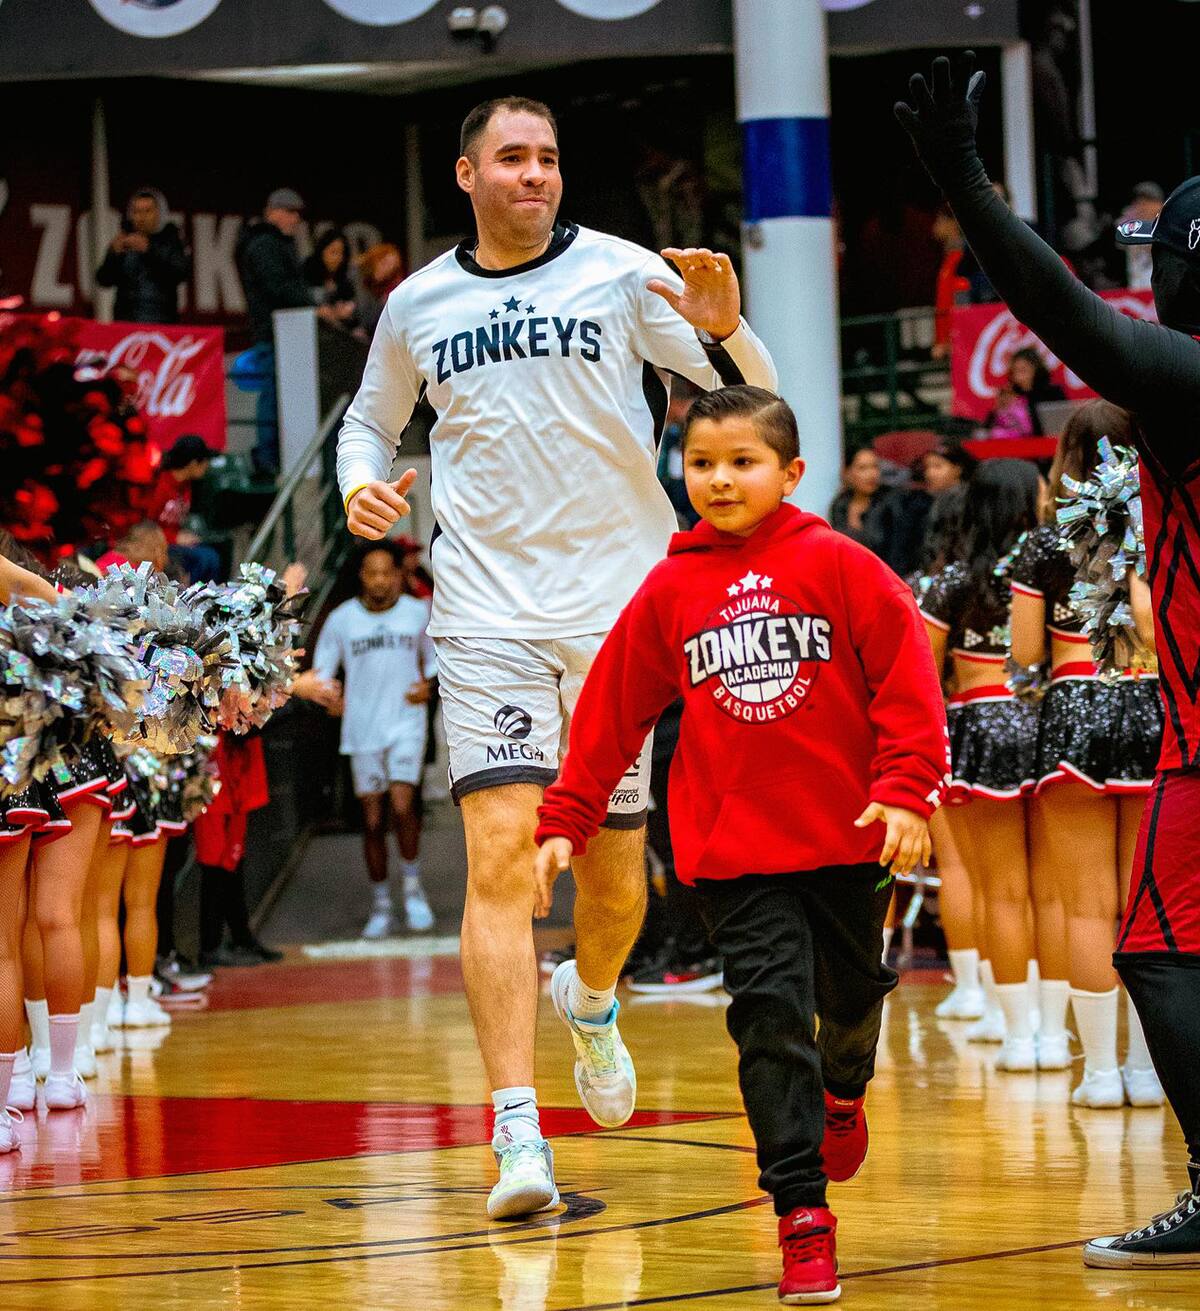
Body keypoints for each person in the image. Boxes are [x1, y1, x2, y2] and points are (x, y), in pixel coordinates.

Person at [335, 94, 777, 1220]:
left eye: (549, 158)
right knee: (500, 859)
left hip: (617, 618)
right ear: (468, 174)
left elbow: (758, 403)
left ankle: (592, 997)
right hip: (485, 615)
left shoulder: (625, 273)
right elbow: (367, 424)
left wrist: (725, 329)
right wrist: (358, 486)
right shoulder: (417, 304)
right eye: (514, 158)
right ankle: (517, 1131)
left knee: (613, 884)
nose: (535, 174)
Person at [533, 385, 948, 1304]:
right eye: (701, 463)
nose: (719, 479)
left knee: (850, 1004)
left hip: (848, 839)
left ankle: (846, 1088)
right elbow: (609, 712)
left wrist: (906, 792)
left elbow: (907, 680)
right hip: (733, 854)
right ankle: (802, 1215)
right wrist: (567, 818)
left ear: (790, 472)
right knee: (767, 1020)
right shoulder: (670, 587)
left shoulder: (843, 565)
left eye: (741, 462)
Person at [896, 50, 1200, 1263]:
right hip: (1162, 723)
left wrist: (966, 183)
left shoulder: (1188, 380)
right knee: (1149, 941)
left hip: (1183, 734)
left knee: (1160, 951)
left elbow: (1067, 315)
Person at [1010, 399, 1164, 1107]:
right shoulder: (1160, 525)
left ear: (1066, 456)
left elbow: (1025, 653)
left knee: (1086, 906)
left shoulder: (1043, 545)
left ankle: (1101, 1074)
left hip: (1074, 710)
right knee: (1145, 903)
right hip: (1153, 708)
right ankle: (1149, 1072)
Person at [919, 460, 1049, 1067]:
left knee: (992, 886)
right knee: (1054, 892)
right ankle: (1050, 1029)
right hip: (1049, 728)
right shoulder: (1059, 573)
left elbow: (923, 673)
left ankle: (1008, 1020)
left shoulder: (952, 582)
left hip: (978, 727)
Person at [311, 542, 436, 938]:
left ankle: (413, 892)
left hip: (406, 723)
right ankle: (381, 904)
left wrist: (429, 687)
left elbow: (439, 663)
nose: (380, 580)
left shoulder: (418, 613)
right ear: (361, 576)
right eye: (372, 572)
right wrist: (330, 697)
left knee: (403, 806)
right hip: (363, 728)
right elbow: (322, 674)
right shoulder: (342, 620)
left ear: (398, 575)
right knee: (373, 819)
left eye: (387, 572)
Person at [236, 188, 322, 477]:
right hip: (274, 333)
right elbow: (278, 288)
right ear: (273, 212)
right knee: (272, 396)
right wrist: (313, 306)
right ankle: (268, 456)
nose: (295, 219)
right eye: (290, 212)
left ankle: (272, 455)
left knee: (277, 396)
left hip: (282, 334)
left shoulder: (269, 243)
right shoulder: (264, 245)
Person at [95, 188, 190, 325]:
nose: (142, 217)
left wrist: (149, 250)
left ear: (159, 213)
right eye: (137, 212)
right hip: (126, 322)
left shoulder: (171, 239)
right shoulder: (124, 240)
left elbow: (181, 271)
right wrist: (113, 255)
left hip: (161, 321)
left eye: (147, 211)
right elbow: (103, 280)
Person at [139, 434, 219, 583]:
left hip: (172, 542)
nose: (207, 465)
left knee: (211, 554)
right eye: (204, 461)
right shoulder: (160, 484)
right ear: (193, 463)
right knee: (206, 558)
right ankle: (187, 594)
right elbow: (145, 527)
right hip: (154, 544)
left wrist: (180, 536)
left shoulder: (186, 485)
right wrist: (174, 537)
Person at [983, 347, 1065, 438]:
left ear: (1036, 369)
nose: (1019, 376)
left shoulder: (1053, 392)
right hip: (1017, 444)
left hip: (1048, 443)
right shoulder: (1010, 394)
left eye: (1023, 370)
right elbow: (989, 427)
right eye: (1015, 371)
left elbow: (1062, 424)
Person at [303, 228, 358, 330]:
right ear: (322, 251)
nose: (338, 258)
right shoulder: (305, 274)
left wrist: (347, 310)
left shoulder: (344, 280)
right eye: (333, 252)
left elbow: (352, 310)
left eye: (341, 253)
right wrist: (316, 312)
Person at [354, 242, 404, 339]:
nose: (387, 268)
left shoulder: (395, 288)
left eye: (391, 266)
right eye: (383, 263)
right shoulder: (362, 283)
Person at [1119, 182, 1164, 291]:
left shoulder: (1167, 223)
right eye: (1139, 202)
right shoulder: (1131, 224)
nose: (1141, 206)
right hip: (1137, 288)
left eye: (1147, 201)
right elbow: (1120, 243)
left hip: (1160, 288)